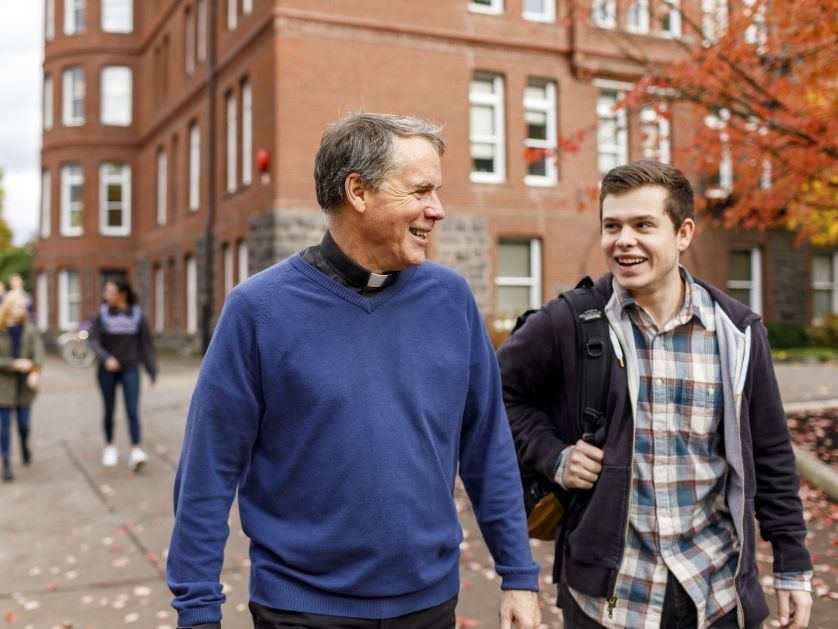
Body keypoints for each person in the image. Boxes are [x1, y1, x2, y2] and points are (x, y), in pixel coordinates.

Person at [166, 113, 541, 629]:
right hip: (301, 610)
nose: (438, 209)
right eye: (420, 191)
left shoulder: (451, 299)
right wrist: (198, 610)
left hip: (430, 606)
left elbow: (488, 446)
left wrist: (518, 574)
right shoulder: (259, 309)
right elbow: (207, 471)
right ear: (358, 191)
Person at [498, 160, 813, 629]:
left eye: (643, 225)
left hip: (714, 591)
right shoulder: (570, 321)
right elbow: (496, 393)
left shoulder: (737, 332)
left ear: (683, 233)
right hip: (607, 599)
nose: (624, 240)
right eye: (612, 226)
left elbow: (769, 451)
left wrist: (792, 564)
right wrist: (553, 455)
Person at [88, 279, 157, 471]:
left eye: (111, 291)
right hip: (106, 371)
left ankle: (136, 449)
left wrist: (152, 370)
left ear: (123, 294)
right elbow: (93, 341)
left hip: (130, 368)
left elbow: (146, 345)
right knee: (109, 410)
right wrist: (106, 358)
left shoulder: (137, 315)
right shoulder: (101, 315)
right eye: (106, 291)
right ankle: (109, 447)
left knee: (132, 410)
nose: (106, 295)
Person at [0, 290, 44, 481]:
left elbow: (39, 353)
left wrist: (35, 371)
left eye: (23, 307)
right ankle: (7, 462)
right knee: (4, 427)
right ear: (8, 308)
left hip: (25, 387)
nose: (21, 310)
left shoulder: (29, 329)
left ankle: (25, 444)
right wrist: (13, 364)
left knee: (24, 425)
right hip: (4, 386)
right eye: (18, 306)